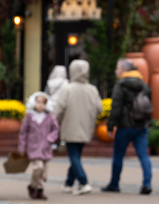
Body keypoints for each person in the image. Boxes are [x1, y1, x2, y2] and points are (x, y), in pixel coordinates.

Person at [102, 59, 152, 194]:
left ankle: (114, 184)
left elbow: (116, 107)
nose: (115, 71)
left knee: (118, 155)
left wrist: (110, 125)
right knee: (143, 155)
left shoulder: (121, 85)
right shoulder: (143, 84)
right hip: (141, 125)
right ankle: (147, 184)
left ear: (124, 70)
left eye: (117, 68)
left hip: (124, 126)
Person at [52, 59, 102, 196]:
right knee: (76, 155)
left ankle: (83, 182)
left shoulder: (67, 89)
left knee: (74, 156)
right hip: (86, 128)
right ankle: (68, 184)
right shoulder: (92, 89)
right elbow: (100, 108)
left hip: (70, 127)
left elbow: (59, 109)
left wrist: (54, 123)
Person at [18, 92, 60, 200]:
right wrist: (22, 147)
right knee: (38, 167)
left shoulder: (50, 117)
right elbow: (23, 133)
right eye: (38, 102)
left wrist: (49, 139)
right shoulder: (29, 117)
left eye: (43, 103)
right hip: (33, 147)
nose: (40, 105)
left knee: (44, 171)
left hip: (46, 148)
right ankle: (33, 186)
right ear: (34, 103)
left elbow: (55, 129)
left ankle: (40, 190)